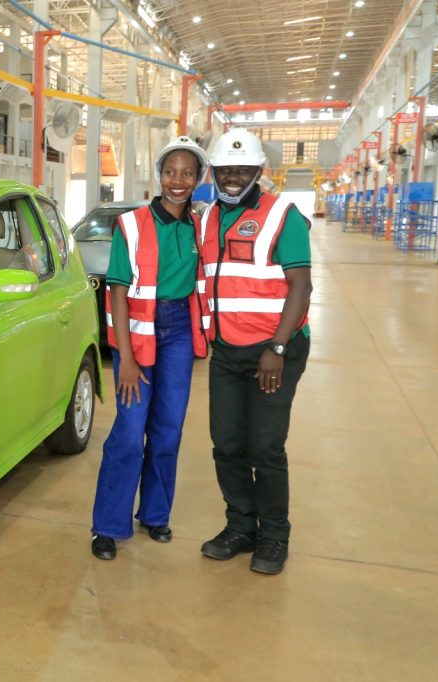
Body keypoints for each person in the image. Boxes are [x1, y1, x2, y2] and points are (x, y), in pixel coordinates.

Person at [196, 128, 312, 575]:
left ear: (259, 171)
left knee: (264, 446)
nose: (233, 178)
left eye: (243, 169)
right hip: (226, 352)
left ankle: (274, 536)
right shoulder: (206, 219)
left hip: (274, 352)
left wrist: (278, 347)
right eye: (226, 170)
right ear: (215, 172)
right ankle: (240, 527)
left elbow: (301, 287)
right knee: (226, 444)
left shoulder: (284, 215)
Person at [90, 136, 210, 560]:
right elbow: (117, 291)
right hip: (138, 335)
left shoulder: (200, 225)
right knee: (128, 431)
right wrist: (124, 358)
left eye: (187, 173)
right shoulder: (132, 224)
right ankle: (108, 525)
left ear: (199, 179)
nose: (177, 181)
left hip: (179, 333)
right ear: (158, 175)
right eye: (170, 172)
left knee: (168, 430)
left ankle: (155, 515)